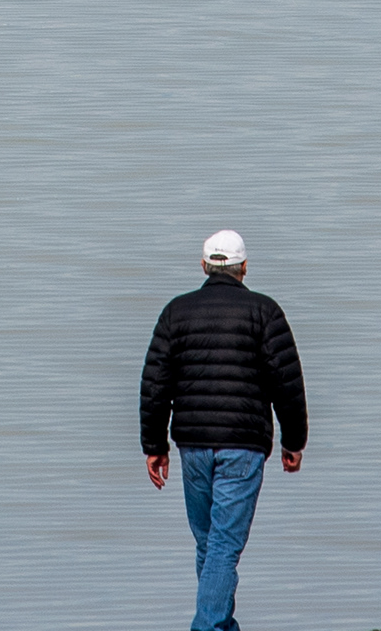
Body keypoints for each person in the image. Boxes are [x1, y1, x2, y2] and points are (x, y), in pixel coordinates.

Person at [139, 229, 308, 631]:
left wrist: (154, 444)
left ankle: (219, 624)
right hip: (243, 444)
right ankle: (209, 627)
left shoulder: (175, 312)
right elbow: (287, 380)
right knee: (222, 545)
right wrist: (294, 440)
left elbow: (154, 383)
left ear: (203, 266)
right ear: (244, 268)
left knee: (211, 543)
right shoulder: (264, 312)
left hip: (193, 445)